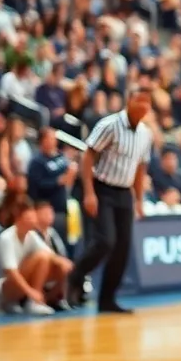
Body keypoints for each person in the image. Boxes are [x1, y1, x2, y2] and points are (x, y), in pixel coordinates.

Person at [66, 85, 154, 313]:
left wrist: (139, 200)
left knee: (123, 248)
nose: (142, 106)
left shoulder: (146, 134)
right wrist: (89, 192)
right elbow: (88, 155)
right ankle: (75, 275)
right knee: (105, 241)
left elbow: (141, 168)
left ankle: (107, 300)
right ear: (129, 101)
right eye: (139, 100)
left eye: (147, 102)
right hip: (102, 187)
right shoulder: (109, 125)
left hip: (124, 192)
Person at [0, 195, 72, 316]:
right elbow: (11, 273)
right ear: (19, 218)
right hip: (4, 292)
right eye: (29, 216)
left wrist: (65, 264)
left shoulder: (32, 236)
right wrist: (32, 292)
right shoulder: (6, 238)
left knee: (61, 267)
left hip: (24, 290)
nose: (33, 219)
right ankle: (32, 302)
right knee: (42, 257)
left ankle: (45, 299)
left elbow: (52, 256)